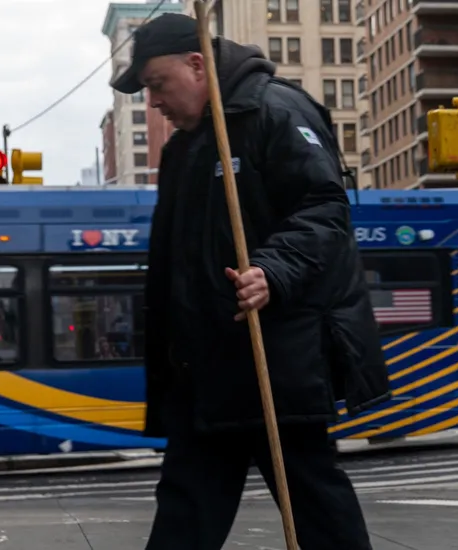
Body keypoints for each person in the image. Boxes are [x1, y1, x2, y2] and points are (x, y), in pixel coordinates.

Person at [110, 13, 392, 550]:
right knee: (185, 514)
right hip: (206, 370)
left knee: (316, 509)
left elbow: (324, 208)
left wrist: (271, 271)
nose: (153, 102)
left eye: (156, 85)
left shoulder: (275, 110)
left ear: (197, 65)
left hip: (272, 361)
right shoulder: (182, 150)